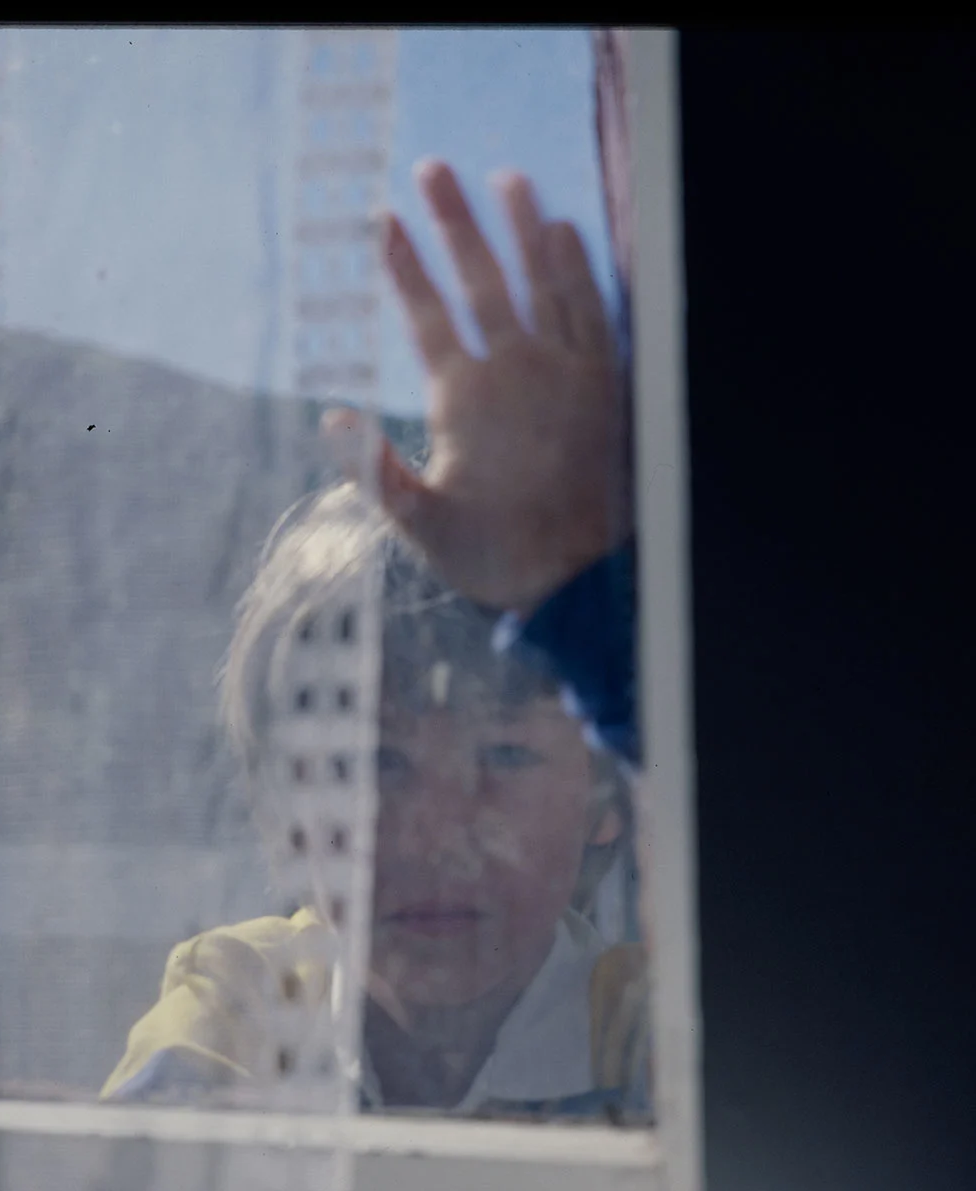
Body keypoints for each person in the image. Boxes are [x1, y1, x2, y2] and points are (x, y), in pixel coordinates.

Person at [100, 160, 650, 1120]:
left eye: (508, 753)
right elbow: (141, 1174)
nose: (436, 833)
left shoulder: (653, 1026)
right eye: (374, 764)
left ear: (607, 797)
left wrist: (594, 627)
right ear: (286, 810)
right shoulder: (236, 993)